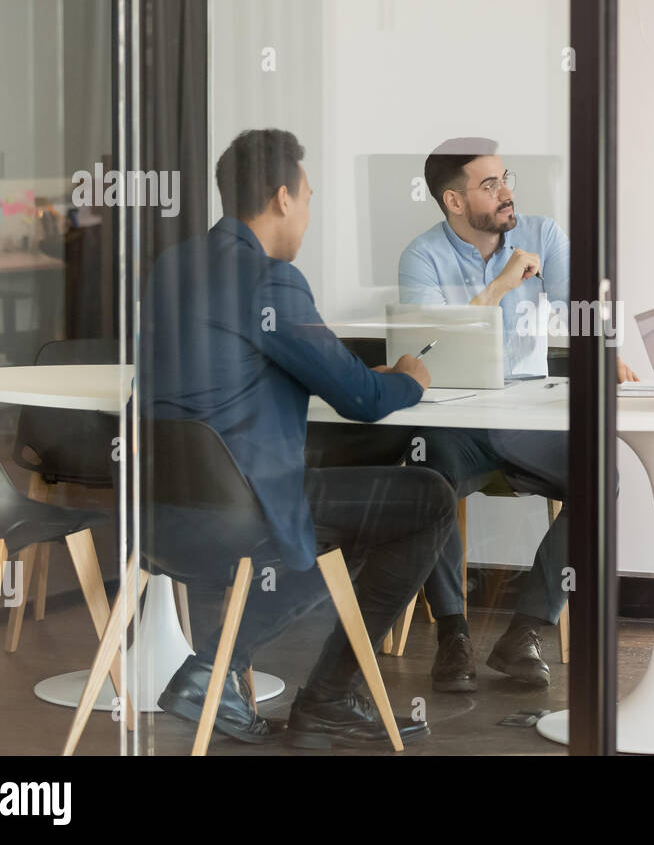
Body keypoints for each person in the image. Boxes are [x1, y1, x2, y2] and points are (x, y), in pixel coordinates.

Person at [143, 128, 455, 747]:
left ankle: (223, 671)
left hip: (158, 511)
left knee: (359, 513)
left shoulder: (172, 265)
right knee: (427, 500)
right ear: (283, 197)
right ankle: (309, 693)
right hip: (239, 510)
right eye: (309, 199)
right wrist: (410, 378)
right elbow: (361, 399)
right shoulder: (270, 280)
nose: (310, 215)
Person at [398, 137, 637, 692]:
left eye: (506, 179)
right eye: (490, 186)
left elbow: (583, 308)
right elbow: (431, 343)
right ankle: (452, 635)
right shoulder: (422, 256)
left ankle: (526, 631)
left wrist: (604, 352)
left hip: (527, 408)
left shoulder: (541, 234)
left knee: (602, 477)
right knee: (426, 477)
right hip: (455, 415)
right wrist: (502, 284)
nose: (507, 195)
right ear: (454, 202)